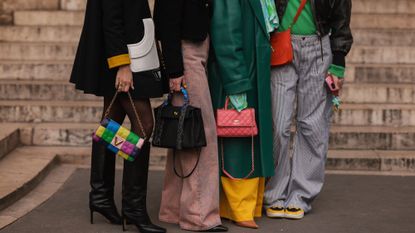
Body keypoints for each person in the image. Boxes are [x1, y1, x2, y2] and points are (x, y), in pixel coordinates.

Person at [70, 0, 167, 232]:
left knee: (110, 125)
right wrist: (122, 65)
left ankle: (101, 196)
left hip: (123, 54)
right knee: (144, 126)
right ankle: (133, 208)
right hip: (124, 59)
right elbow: (112, 20)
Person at [264, 0, 353, 219]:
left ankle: (301, 195)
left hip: (318, 47)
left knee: (312, 125)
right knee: (278, 123)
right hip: (281, 44)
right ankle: (274, 193)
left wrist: (338, 62)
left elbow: (341, 15)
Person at [154, 0, 227, 232]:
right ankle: (199, 215)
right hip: (187, 57)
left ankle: (173, 209)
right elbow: (167, 20)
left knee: (183, 132)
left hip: (194, 51)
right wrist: (175, 71)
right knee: (201, 132)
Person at [208, 0, 277, 229]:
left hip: (254, 72)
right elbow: (225, 34)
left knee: (250, 139)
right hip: (239, 74)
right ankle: (238, 207)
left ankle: (247, 205)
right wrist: (236, 82)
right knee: (238, 143)